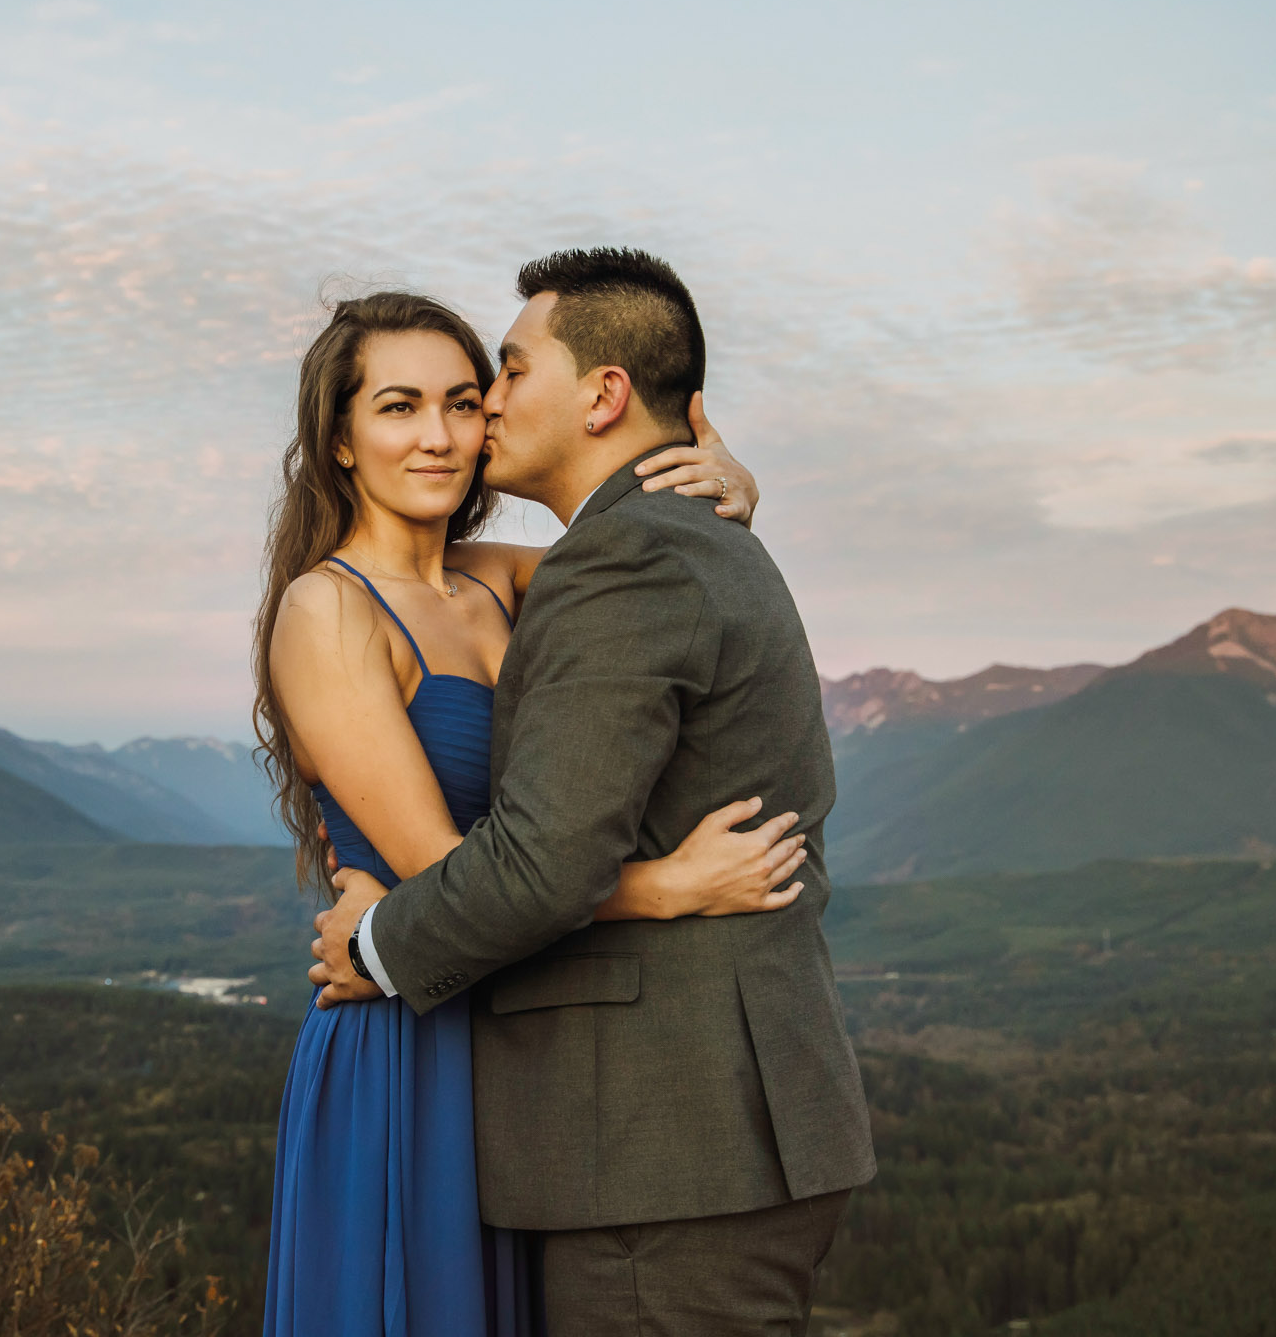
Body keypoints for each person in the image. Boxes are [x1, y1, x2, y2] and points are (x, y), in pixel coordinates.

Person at [311, 250, 876, 1336]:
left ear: (604, 394)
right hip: (697, 1141)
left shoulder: (625, 561)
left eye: (508, 374)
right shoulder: (663, 544)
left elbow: (541, 864)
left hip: (663, 1153)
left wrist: (376, 946)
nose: (485, 409)